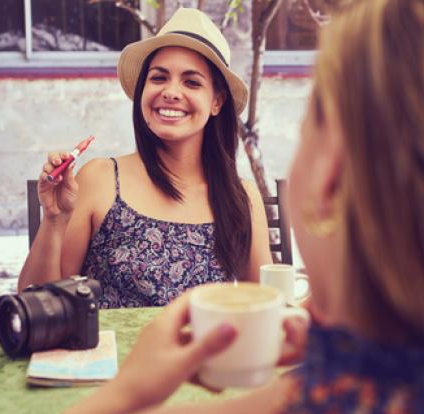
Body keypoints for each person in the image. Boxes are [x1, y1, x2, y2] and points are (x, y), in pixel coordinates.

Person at [51, 0, 424, 414]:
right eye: (160, 76)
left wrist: (127, 394)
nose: (171, 93)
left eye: (310, 123)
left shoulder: (306, 405)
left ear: (329, 176)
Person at [17, 8, 272, 307]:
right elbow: (37, 304)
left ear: (216, 101)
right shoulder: (99, 179)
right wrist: (55, 219)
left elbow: (266, 306)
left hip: (205, 354)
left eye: (191, 82)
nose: (171, 92)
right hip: (113, 354)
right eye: (159, 78)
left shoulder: (241, 197)